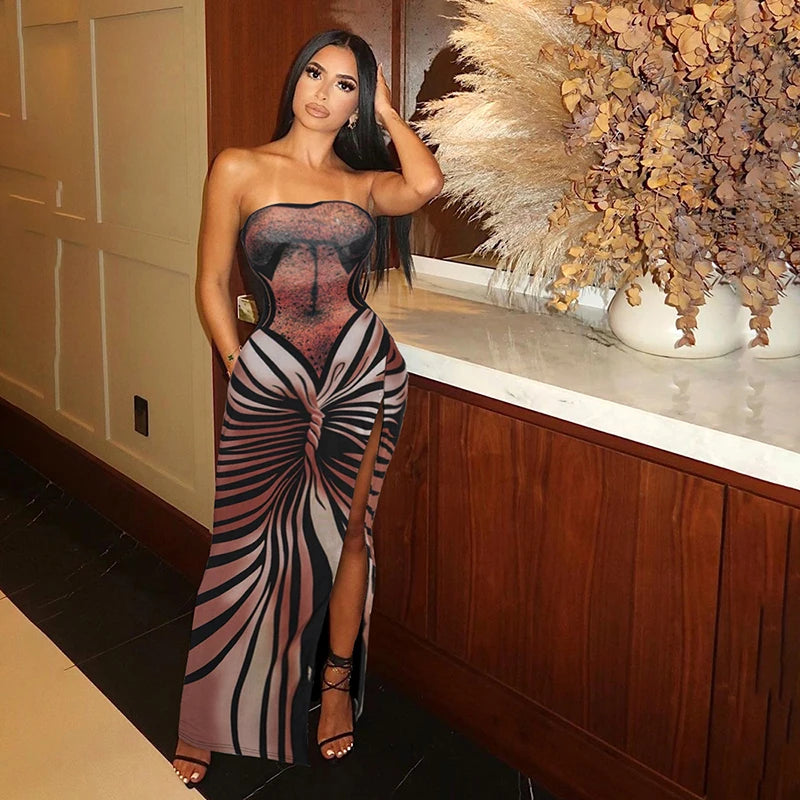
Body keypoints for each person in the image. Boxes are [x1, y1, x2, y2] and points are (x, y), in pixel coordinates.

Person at [171, 29, 443, 788]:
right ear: (294, 79)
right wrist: (238, 363)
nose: (323, 93)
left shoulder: (363, 184)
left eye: (345, 84)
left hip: (360, 373)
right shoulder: (238, 166)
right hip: (271, 374)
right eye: (315, 74)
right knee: (244, 541)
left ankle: (336, 687)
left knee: (351, 533)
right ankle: (210, 714)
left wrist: (384, 109)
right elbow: (209, 281)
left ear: (360, 103)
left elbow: (425, 184)